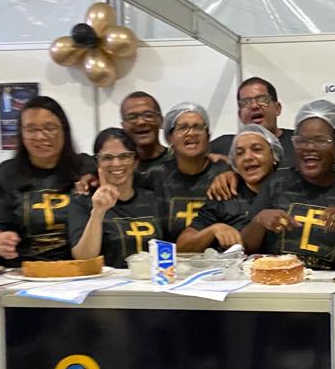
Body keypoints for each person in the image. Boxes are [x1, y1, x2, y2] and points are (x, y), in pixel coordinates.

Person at [241, 100, 335, 269]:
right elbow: (245, 248)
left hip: (330, 283)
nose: (309, 147)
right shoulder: (278, 182)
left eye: (320, 141)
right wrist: (259, 221)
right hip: (279, 280)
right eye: (301, 141)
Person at [0, 96, 96, 263]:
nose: (40, 137)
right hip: (23, 269)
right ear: (21, 134)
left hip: (80, 267)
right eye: (31, 130)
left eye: (50, 128)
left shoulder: (86, 166)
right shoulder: (6, 174)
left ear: (64, 130)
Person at [177, 124, 283, 252]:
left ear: (274, 155)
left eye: (257, 149)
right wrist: (213, 230)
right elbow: (182, 247)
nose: (248, 157)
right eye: (239, 153)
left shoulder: (289, 190)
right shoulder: (225, 194)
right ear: (234, 163)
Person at [68, 128, 160, 268]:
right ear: (97, 163)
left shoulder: (152, 199)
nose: (116, 163)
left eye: (124, 156)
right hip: (107, 281)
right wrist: (98, 212)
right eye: (107, 158)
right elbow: (83, 257)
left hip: (152, 279)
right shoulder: (82, 200)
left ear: (135, 162)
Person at [148, 102, 229, 242]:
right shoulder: (156, 176)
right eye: (182, 127)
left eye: (198, 127)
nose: (191, 133)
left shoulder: (224, 174)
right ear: (169, 138)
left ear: (208, 137)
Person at [209, 77, 295, 166]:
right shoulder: (224, 146)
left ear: (277, 108)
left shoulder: (297, 142)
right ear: (240, 115)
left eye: (262, 99)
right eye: (246, 102)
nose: (254, 106)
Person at [120, 91, 173, 179]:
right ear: (123, 126)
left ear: (160, 121)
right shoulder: (118, 168)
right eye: (132, 117)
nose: (141, 122)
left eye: (148, 115)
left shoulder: (178, 161)